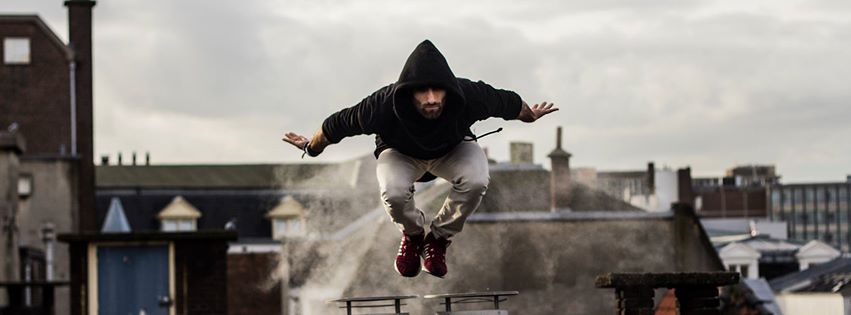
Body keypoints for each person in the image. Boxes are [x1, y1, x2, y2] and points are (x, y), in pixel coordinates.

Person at [282, 40, 557, 278]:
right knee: (393, 191)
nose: (431, 99)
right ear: (408, 91)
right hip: (400, 154)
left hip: (453, 149)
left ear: (448, 88)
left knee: (476, 180)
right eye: (422, 92)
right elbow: (334, 127)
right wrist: (310, 147)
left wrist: (529, 115)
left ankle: (437, 239)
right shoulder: (381, 105)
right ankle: (413, 236)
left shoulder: (469, 95)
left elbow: (510, 103)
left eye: (438, 91)